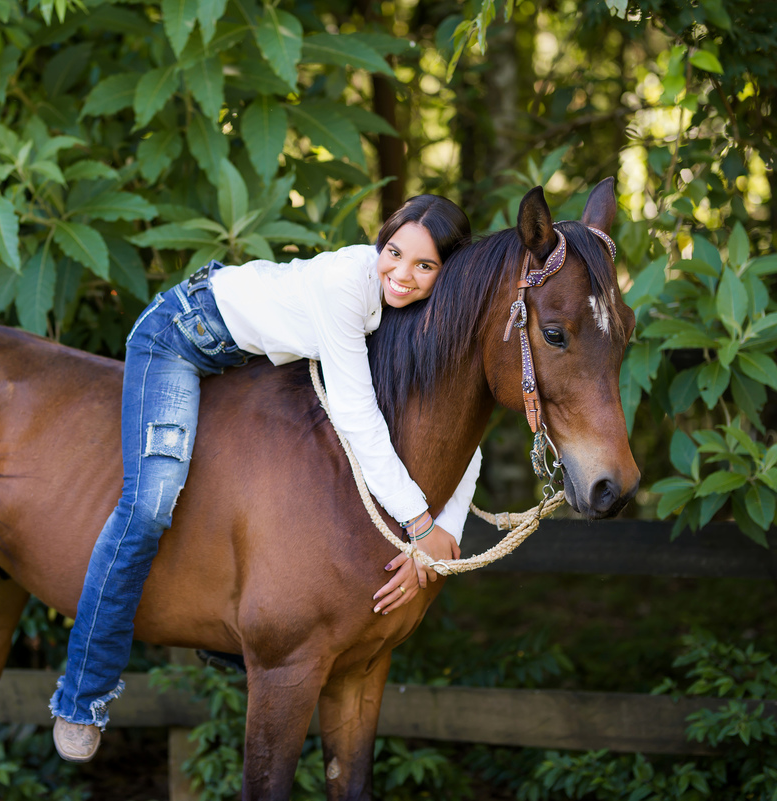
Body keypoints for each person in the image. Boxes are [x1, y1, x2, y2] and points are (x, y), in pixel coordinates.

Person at [50, 195, 484, 762]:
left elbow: (457, 422)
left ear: (446, 275)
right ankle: (82, 693)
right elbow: (356, 414)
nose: (401, 274)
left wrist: (447, 526)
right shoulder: (348, 286)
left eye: (424, 266)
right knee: (151, 502)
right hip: (179, 337)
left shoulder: (411, 310)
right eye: (394, 252)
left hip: (246, 358)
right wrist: (421, 524)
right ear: (381, 242)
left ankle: (240, 644)